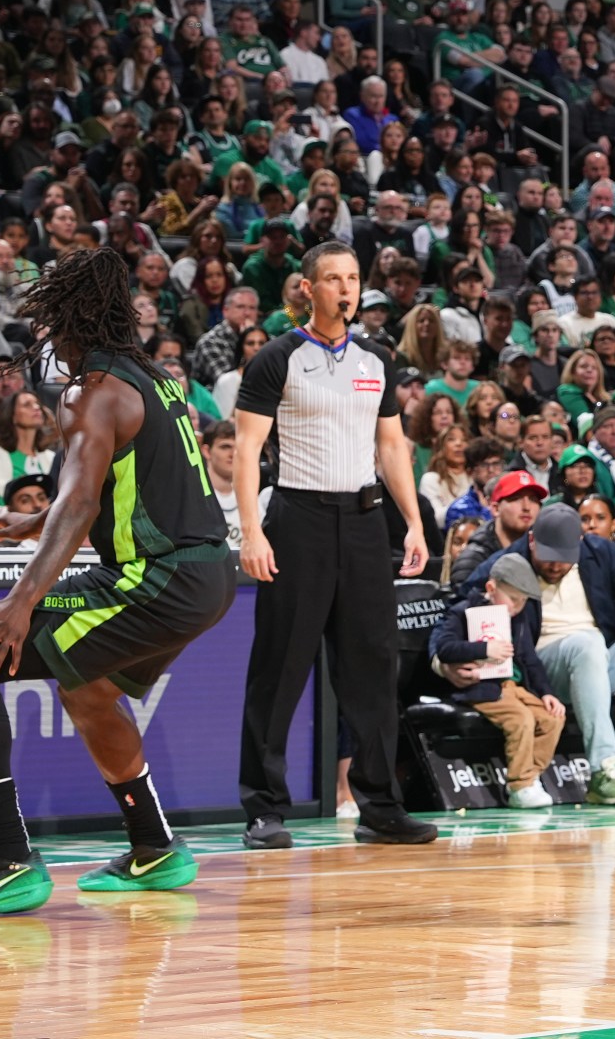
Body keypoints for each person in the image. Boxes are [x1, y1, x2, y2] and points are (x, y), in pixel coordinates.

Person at [0, 247, 237, 917]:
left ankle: (8, 860)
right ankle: (154, 846)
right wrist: (32, 521)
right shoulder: (154, 379)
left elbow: (79, 505)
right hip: (208, 574)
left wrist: (20, 603)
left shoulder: (89, 391)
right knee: (89, 689)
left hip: (157, 578)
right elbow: (119, 487)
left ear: (68, 315)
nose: (40, 332)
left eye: (45, 316)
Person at [233, 241, 438, 850]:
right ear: (308, 289)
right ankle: (264, 809)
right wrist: (251, 530)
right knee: (280, 667)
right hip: (299, 518)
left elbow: (392, 446)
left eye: (352, 278)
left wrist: (413, 523)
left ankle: (380, 806)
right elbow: (247, 450)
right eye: (332, 279)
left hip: (366, 521)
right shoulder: (277, 357)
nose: (345, 289)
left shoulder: (376, 359)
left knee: (374, 668)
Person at [454, 501, 615, 805]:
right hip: (540, 669)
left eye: (564, 559)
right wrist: (447, 663)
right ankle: (603, 768)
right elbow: (459, 603)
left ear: (580, 542)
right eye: (548, 557)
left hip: (596, 661)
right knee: (586, 642)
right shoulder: (510, 562)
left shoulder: (601, 553)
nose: (555, 566)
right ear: (532, 540)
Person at [430, 553, 566, 809]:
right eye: (513, 599)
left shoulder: (518, 619)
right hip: (483, 687)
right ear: (491, 588)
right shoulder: (464, 612)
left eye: (523, 601)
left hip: (513, 686)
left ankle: (530, 775)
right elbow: (445, 648)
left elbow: (530, 660)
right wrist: (484, 649)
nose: (517, 607)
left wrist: (546, 692)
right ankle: (520, 785)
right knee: (521, 720)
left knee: (552, 718)